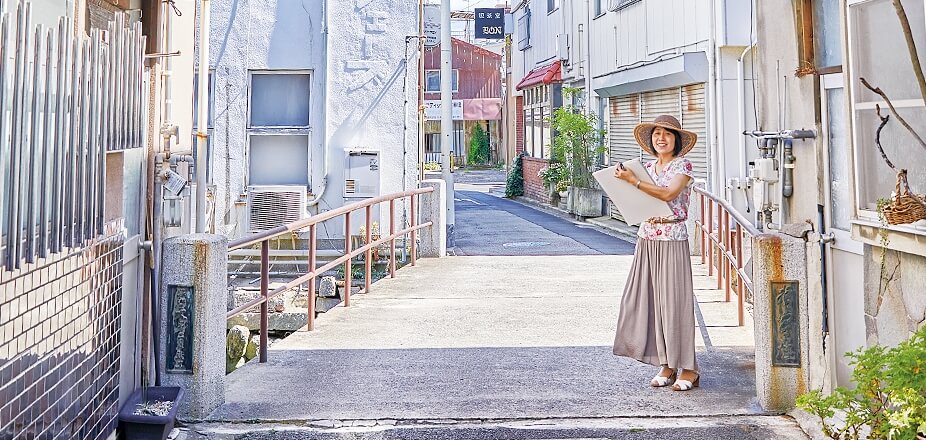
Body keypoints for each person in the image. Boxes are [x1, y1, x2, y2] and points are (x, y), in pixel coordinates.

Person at [611, 114, 700, 392]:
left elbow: (667, 194)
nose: (661, 138)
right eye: (657, 133)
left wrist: (633, 182)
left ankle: (689, 367)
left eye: (667, 134)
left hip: (672, 237)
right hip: (647, 237)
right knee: (650, 302)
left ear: (676, 140)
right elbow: (636, 199)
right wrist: (622, 181)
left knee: (675, 303)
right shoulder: (646, 168)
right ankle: (667, 363)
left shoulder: (682, 166)